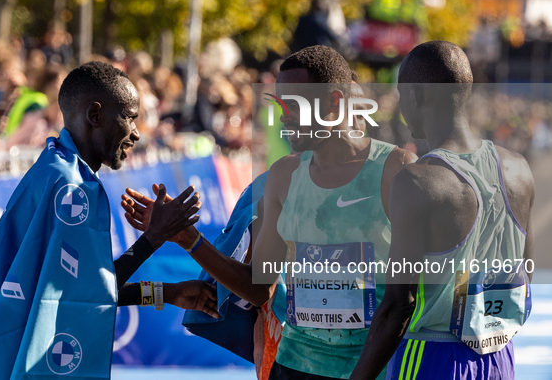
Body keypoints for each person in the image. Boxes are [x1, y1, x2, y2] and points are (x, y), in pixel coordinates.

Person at [122, 45, 417, 379]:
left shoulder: (397, 170)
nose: (282, 118)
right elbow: (260, 288)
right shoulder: (283, 176)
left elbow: (410, 297)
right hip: (293, 366)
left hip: (373, 369)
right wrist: (188, 239)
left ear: (335, 103)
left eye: (292, 105)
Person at [0, 61, 217, 380]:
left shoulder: (58, 168)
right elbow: (88, 292)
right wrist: (156, 235)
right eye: (129, 117)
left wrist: (166, 292)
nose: (137, 133)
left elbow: (74, 294)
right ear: (95, 115)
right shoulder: (71, 189)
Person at [350, 41, 535, 380]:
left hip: (432, 357)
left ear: (416, 95)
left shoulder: (418, 181)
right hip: (499, 355)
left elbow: (397, 306)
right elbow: (524, 275)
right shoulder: (518, 168)